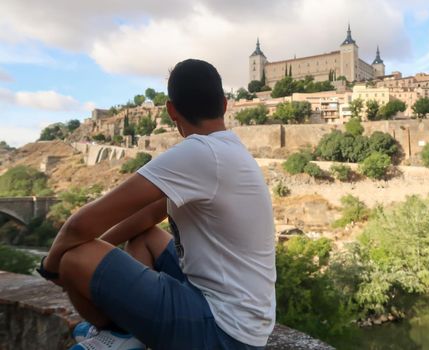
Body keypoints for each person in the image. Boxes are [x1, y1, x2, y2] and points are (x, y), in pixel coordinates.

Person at [38, 59, 276, 349]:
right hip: (241, 320)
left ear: (171, 110)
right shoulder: (229, 149)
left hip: (223, 333)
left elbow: (78, 226)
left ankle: (118, 334)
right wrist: (104, 249)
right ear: (224, 105)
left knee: (73, 259)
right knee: (145, 238)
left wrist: (52, 269)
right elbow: (147, 217)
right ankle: (129, 332)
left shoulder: (200, 152)